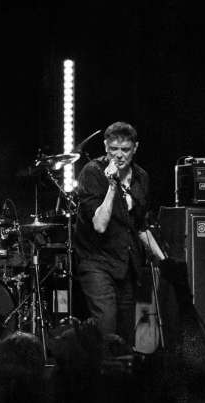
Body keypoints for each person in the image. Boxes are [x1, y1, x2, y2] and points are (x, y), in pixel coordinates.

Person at [74, 121, 165, 346]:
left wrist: (164, 262)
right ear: (106, 147)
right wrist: (113, 186)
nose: (119, 155)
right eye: (113, 149)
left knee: (126, 335)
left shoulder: (141, 177)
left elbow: (141, 226)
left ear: (135, 148)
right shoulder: (92, 173)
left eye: (125, 150)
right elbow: (100, 225)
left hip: (126, 264)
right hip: (96, 262)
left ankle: (121, 378)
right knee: (106, 327)